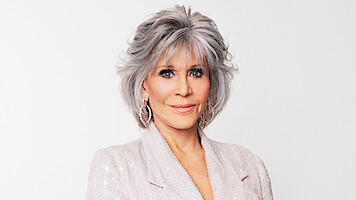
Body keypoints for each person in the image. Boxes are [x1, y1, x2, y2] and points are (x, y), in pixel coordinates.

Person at [86, 5, 273, 200]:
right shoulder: (116, 167)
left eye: (196, 73)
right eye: (167, 73)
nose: (184, 89)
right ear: (143, 86)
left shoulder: (249, 165)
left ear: (211, 81)